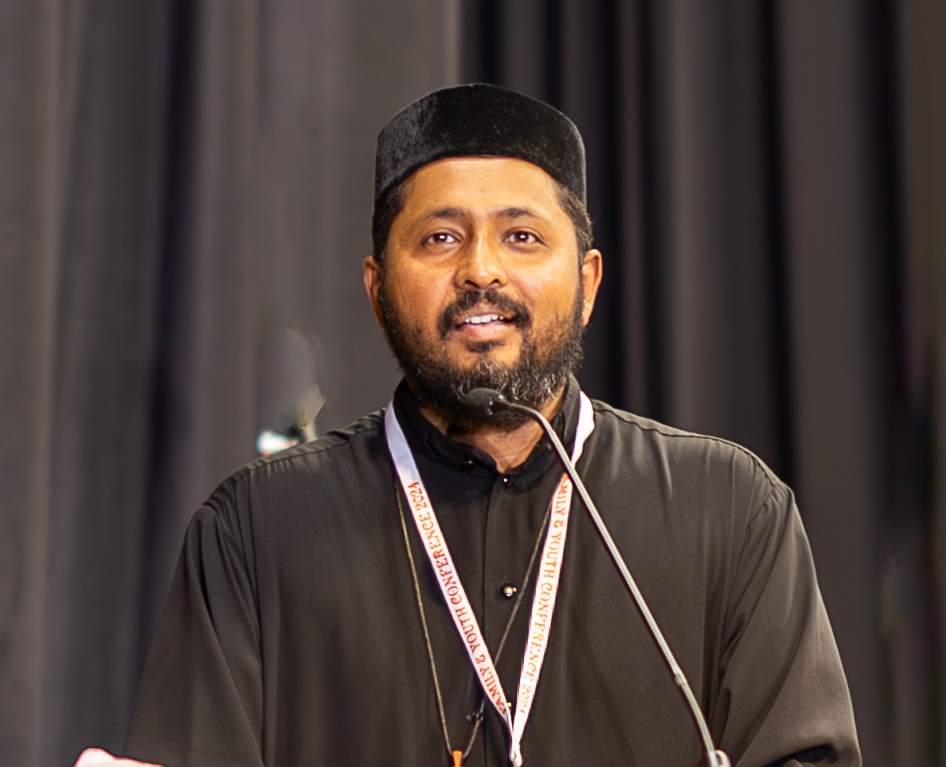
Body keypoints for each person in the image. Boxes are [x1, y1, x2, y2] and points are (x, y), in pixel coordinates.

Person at [85, 84, 861, 767]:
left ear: (587, 281)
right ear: (378, 288)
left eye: (522, 236)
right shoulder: (257, 531)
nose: (481, 269)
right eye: (440, 238)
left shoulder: (728, 509)